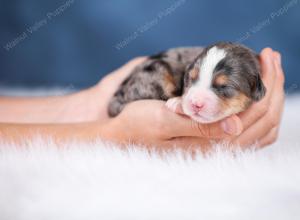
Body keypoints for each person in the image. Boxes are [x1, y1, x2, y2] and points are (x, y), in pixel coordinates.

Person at [0, 48, 284, 150]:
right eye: (193, 79)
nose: (196, 99)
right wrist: (116, 133)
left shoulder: (253, 81)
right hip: (148, 82)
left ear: (254, 91)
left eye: (223, 89)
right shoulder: (183, 74)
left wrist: (89, 105)